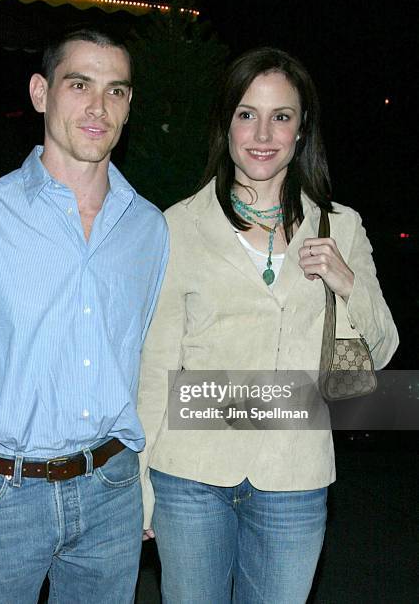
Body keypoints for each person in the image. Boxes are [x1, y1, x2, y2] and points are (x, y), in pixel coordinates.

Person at [0, 27, 168, 604]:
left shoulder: (148, 226)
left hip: (113, 489)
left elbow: (148, 359)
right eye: (79, 84)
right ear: (40, 93)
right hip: (3, 493)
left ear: (129, 106)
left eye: (116, 91)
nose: (98, 107)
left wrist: (142, 482)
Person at [138, 47, 398, 603]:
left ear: (301, 131)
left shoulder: (341, 226)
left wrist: (347, 282)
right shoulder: (178, 225)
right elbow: (155, 364)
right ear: (225, 123)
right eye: (246, 113)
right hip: (190, 474)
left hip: (294, 476)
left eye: (281, 116)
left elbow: (382, 349)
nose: (263, 132)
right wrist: (141, 485)